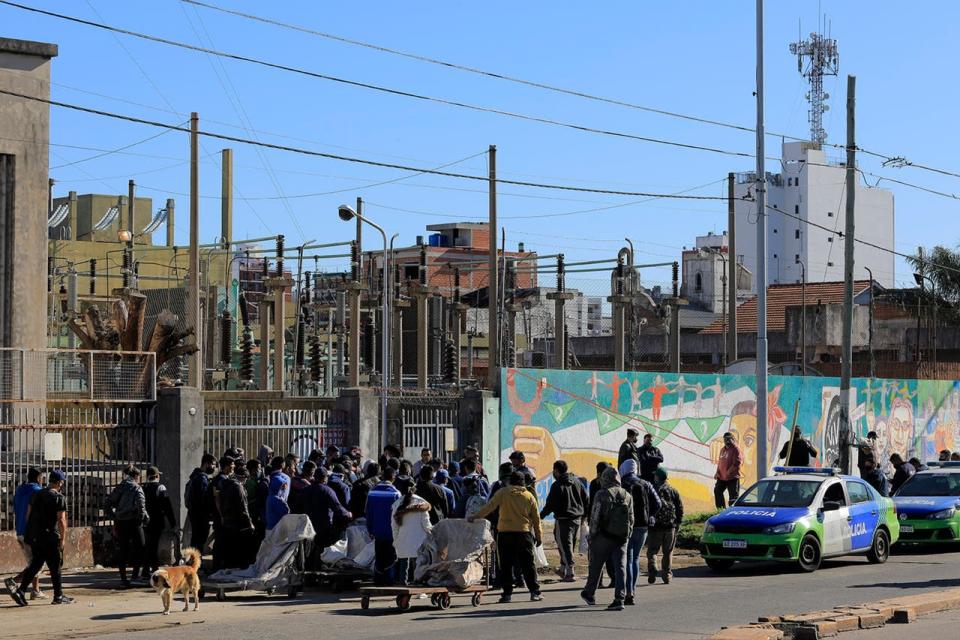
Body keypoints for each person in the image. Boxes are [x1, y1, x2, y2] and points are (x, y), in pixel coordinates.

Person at [468, 471, 543, 603]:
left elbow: (489, 507)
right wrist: (539, 536)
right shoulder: (529, 496)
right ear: (523, 482)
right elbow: (536, 519)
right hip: (523, 534)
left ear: (510, 481)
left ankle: (507, 594)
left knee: (506, 565)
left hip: (505, 534)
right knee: (528, 564)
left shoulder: (503, 493)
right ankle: (534, 592)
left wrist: (475, 517)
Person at [6, 470, 73, 606]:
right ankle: (58, 596)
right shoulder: (59, 498)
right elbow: (61, 520)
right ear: (60, 482)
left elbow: (28, 515)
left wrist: (31, 533)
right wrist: (63, 539)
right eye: (62, 482)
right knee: (55, 566)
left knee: (36, 564)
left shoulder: (37, 494)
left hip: (36, 536)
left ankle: (21, 590)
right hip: (51, 536)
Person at [580, 467, 632, 611]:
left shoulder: (601, 494)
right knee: (620, 567)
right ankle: (619, 598)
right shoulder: (627, 495)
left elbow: (595, 516)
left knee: (596, 565)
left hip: (603, 536)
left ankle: (589, 593)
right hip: (621, 537)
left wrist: (592, 535)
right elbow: (631, 518)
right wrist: (627, 535)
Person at [619, 459, 660, 606]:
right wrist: (651, 515)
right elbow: (658, 503)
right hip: (643, 526)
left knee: (628, 559)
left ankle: (628, 591)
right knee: (635, 558)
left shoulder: (622, 485)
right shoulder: (646, 484)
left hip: (627, 526)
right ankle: (633, 591)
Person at [540, 459, 587, 582]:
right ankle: (562, 567)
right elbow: (586, 499)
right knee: (568, 545)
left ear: (556, 470)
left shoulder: (557, 485)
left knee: (565, 545)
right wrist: (585, 516)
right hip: (576, 519)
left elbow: (550, 504)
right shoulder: (577, 482)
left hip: (563, 519)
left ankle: (570, 572)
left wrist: (540, 516)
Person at [8, 468, 46, 600]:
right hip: (32, 532)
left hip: (20, 530)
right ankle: (14, 581)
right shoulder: (38, 491)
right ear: (38, 478)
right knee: (38, 563)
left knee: (33, 561)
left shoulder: (20, 489)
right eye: (42, 477)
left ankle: (36, 590)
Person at [212, 457, 256, 570]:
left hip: (227, 519)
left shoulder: (225, 483)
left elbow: (218, 499)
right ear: (244, 478)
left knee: (226, 545)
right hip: (236, 521)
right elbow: (243, 507)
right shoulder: (238, 487)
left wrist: (222, 515)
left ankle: (223, 566)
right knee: (234, 546)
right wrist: (249, 523)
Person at [108, 466, 149, 587]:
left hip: (121, 522)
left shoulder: (120, 487)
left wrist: (114, 517)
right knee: (141, 548)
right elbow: (141, 506)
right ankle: (135, 576)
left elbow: (108, 502)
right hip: (134, 522)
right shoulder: (137, 488)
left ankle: (123, 578)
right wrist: (141, 520)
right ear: (136, 476)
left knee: (123, 550)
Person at [302, 468, 352, 554]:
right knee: (322, 551)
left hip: (307, 526)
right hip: (323, 527)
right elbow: (337, 507)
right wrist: (348, 514)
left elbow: (297, 506)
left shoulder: (305, 490)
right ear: (325, 478)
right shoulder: (327, 490)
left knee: (308, 551)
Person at [647, 467, 683, 585]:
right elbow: (679, 507)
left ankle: (653, 568)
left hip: (656, 526)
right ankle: (667, 575)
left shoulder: (653, 490)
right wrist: (678, 522)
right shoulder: (673, 490)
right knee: (668, 552)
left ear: (657, 477)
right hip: (670, 527)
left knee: (652, 550)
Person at [366, 468, 402, 585]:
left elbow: (368, 512)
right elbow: (399, 514)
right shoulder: (396, 493)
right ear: (393, 477)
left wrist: (370, 529)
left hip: (377, 531)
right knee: (390, 557)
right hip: (391, 531)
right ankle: (389, 581)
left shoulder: (372, 492)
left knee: (379, 556)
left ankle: (378, 580)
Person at [391, 486, 432, 586]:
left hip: (403, 539)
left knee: (403, 563)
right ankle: (418, 585)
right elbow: (427, 526)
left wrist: (396, 540)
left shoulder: (397, 504)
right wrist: (433, 534)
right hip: (419, 540)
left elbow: (394, 525)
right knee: (417, 565)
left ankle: (402, 586)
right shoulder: (421, 503)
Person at [142, 466, 176, 576]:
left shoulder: (144, 488)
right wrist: (172, 522)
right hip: (157, 521)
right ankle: (153, 569)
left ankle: (147, 569)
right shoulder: (160, 488)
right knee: (153, 545)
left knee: (149, 545)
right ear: (157, 476)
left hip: (145, 521)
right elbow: (167, 506)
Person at [185, 453, 216, 552]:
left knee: (195, 538)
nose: (214, 467)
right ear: (206, 464)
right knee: (200, 539)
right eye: (213, 464)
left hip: (194, 512)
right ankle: (196, 562)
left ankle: (193, 561)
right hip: (201, 514)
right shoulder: (202, 478)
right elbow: (204, 498)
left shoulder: (195, 476)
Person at [714, 432, 743, 509]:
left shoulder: (735, 449)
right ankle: (721, 510)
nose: (727, 441)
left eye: (729, 439)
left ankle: (733, 513)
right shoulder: (722, 450)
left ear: (733, 439)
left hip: (732, 478)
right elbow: (720, 462)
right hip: (721, 478)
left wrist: (729, 471)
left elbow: (737, 462)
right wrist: (717, 472)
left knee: (733, 498)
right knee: (717, 491)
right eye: (725, 439)